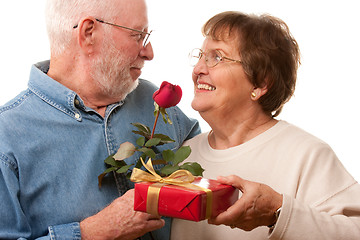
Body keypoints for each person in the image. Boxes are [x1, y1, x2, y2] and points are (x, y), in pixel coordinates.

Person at [0, 0, 200, 239]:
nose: (149, 52)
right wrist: (91, 233)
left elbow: (212, 164)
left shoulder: (153, 100)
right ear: (88, 33)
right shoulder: (6, 137)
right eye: (138, 36)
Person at [171, 11, 360, 239]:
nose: (198, 69)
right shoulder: (183, 157)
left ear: (260, 83)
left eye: (217, 57)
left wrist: (278, 213)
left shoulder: (307, 155)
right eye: (201, 56)